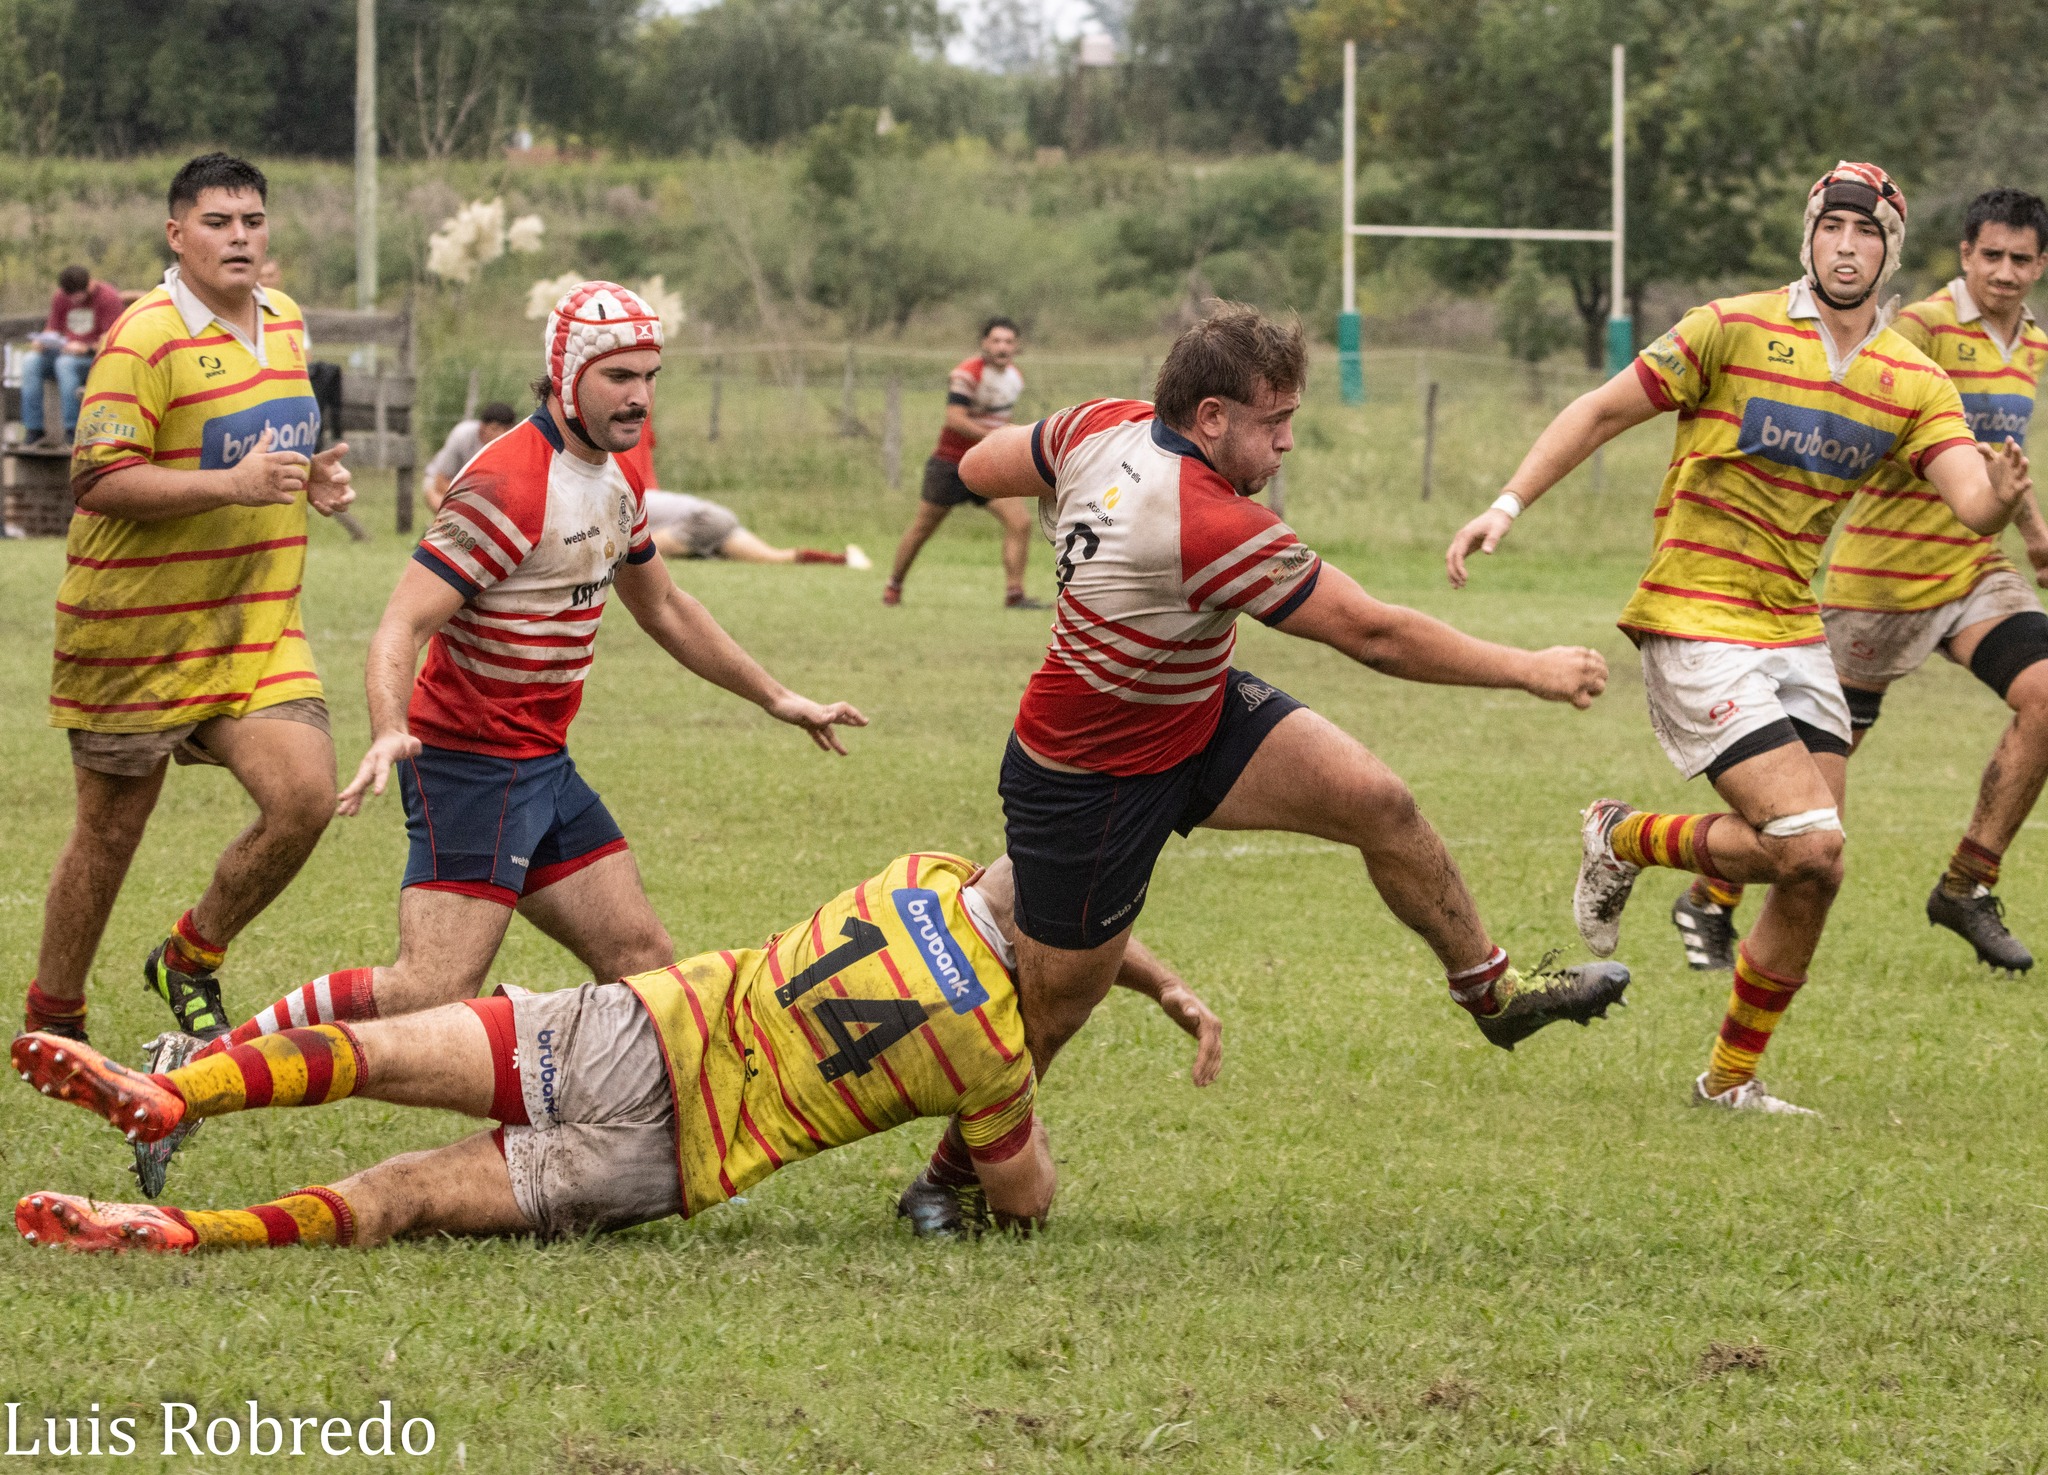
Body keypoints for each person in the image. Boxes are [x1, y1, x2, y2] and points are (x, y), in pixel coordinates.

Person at [117, 280, 867, 1196]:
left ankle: (668, 1140)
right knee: (426, 990)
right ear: (566, 377)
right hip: (469, 766)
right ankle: (186, 1075)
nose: (638, 396)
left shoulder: (620, 472)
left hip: (542, 764)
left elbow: (663, 604)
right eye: (618, 376)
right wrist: (391, 731)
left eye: (650, 376)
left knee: (645, 965)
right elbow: (398, 625)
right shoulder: (507, 487)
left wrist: (778, 697)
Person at [889, 303, 1627, 1230]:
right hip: (1089, 778)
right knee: (1054, 1012)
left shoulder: (1098, 424)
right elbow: (1376, 634)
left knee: (1378, 800)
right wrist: (1531, 669)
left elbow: (976, 464)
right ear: (1209, 418)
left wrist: (1067, 503)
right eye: (1274, 423)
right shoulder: (1209, 525)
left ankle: (1493, 993)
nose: (1286, 445)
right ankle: (942, 1178)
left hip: (1192, 712)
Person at [1446, 163, 2030, 1115]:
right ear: (1810, 236)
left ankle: (1726, 1074)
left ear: (1890, 249)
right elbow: (1599, 412)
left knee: (1817, 865)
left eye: (1867, 231)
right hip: (1693, 611)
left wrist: (2000, 500)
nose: (1847, 244)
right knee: (1803, 839)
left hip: (1794, 627)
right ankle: (1620, 836)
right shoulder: (1730, 325)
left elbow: (1969, 500)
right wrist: (1506, 504)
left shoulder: (1912, 378)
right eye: (1832, 226)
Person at [11, 852, 1221, 1252]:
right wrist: (1018, 1131)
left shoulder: (920, 873)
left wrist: (1148, 967)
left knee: (373, 1048)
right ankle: (187, 1237)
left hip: (631, 1029)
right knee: (406, 1194)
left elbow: (1040, 886)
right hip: (667, 1160)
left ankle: (175, 1093)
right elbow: (1025, 1192)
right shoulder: (992, 1056)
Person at [26, 153, 353, 1061]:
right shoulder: (144, 338)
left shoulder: (285, 321)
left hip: (254, 628)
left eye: (252, 220)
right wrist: (231, 483)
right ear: (178, 234)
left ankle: (188, 954)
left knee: (305, 799)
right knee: (110, 833)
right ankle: (54, 1018)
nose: (239, 236)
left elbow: (270, 439)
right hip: (135, 633)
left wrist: (310, 474)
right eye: (218, 221)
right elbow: (95, 479)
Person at [1808, 188, 2048, 976]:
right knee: (1813, 789)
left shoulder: (2035, 346)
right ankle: (1712, 898)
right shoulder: (1920, 328)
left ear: (2041, 265)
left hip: (1975, 572)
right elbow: (1867, 407)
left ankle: (1967, 885)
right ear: (1965, 255)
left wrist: (2035, 539)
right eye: (1992, 256)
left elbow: (2005, 460)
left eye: (2022, 258)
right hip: (1881, 579)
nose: (2005, 272)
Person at [884, 318, 1043, 609]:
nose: (1002, 347)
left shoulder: (1015, 378)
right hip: (951, 464)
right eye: (996, 341)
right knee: (924, 527)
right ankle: (893, 586)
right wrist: (998, 437)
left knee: (1019, 522)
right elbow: (954, 419)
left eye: (1008, 342)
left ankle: (1015, 594)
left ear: (1016, 346)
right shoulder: (967, 373)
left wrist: (1005, 441)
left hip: (989, 464)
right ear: (984, 343)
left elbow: (999, 419)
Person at [617, 416, 868, 567]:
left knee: (630, 555)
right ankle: (842, 560)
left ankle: (698, 552)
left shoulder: (619, 499)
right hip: (718, 516)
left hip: (703, 520)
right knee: (775, 558)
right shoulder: (632, 493)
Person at [17, 265, 125, 448]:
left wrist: (86, 348)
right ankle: (34, 429)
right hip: (63, 351)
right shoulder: (61, 296)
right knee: (30, 362)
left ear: (88, 286)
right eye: (70, 297)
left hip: (92, 358)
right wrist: (43, 341)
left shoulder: (107, 298)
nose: (74, 301)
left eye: (77, 297)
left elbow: (114, 339)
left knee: (65, 364)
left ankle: (73, 431)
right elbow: (53, 327)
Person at [423, 401, 519, 512]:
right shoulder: (462, 435)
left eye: (507, 430)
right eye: (495, 429)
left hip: (478, 492)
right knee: (442, 504)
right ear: (482, 427)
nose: (501, 435)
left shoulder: (513, 443)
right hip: (441, 480)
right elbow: (441, 481)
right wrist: (469, 502)